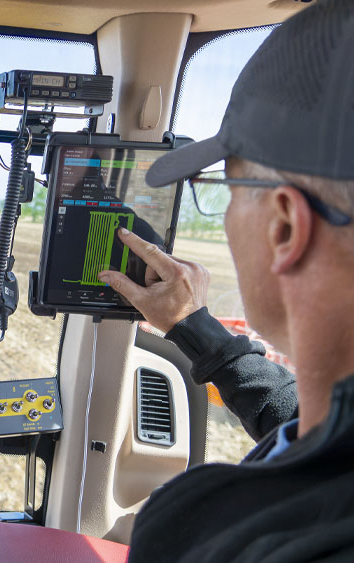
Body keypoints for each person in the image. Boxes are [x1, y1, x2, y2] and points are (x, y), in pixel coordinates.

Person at [95, 1, 354, 560]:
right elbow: (307, 422)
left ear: (284, 227)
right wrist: (194, 326)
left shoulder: (211, 532)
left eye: (232, 193)